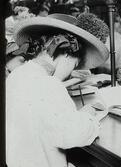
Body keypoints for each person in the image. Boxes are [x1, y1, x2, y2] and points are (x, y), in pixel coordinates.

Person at [6, 12, 109, 167]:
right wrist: (89, 116)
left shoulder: (16, 75)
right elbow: (73, 135)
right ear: (67, 54)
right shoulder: (49, 84)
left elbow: (49, 121)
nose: (70, 73)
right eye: (75, 65)